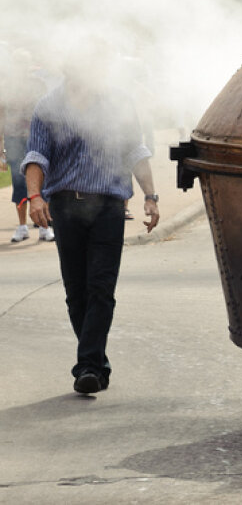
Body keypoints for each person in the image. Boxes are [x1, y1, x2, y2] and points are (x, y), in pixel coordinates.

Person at [22, 53, 160, 395]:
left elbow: (135, 150)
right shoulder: (48, 106)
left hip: (109, 207)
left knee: (100, 288)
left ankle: (87, 366)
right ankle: (96, 364)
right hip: (66, 207)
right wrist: (35, 196)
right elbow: (36, 155)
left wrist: (151, 196)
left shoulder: (119, 102)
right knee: (76, 293)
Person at [3, 50, 53, 242]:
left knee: (42, 181)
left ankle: (44, 226)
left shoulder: (38, 84)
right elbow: (1, 114)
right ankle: (22, 226)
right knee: (18, 182)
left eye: (23, 62)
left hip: (36, 137)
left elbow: (47, 111)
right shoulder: (6, 87)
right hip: (13, 137)